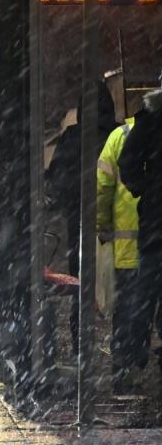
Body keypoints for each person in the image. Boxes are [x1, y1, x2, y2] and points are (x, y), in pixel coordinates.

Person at [46, 81, 119, 347]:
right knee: (117, 282)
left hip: (79, 220)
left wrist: (69, 201)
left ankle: (81, 340)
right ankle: (120, 345)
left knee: (81, 282)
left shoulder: (72, 137)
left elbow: (56, 177)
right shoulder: (118, 134)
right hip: (115, 223)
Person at [119, 76, 162, 386]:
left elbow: (128, 162)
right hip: (155, 221)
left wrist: (144, 188)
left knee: (144, 292)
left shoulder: (149, 117)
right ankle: (137, 351)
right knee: (145, 292)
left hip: (155, 221)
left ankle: (136, 353)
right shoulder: (151, 117)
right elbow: (128, 162)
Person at [96, 115, 143, 392]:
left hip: (127, 247)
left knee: (126, 311)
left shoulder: (120, 135)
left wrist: (102, 224)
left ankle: (123, 372)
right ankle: (137, 363)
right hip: (152, 241)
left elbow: (102, 185)